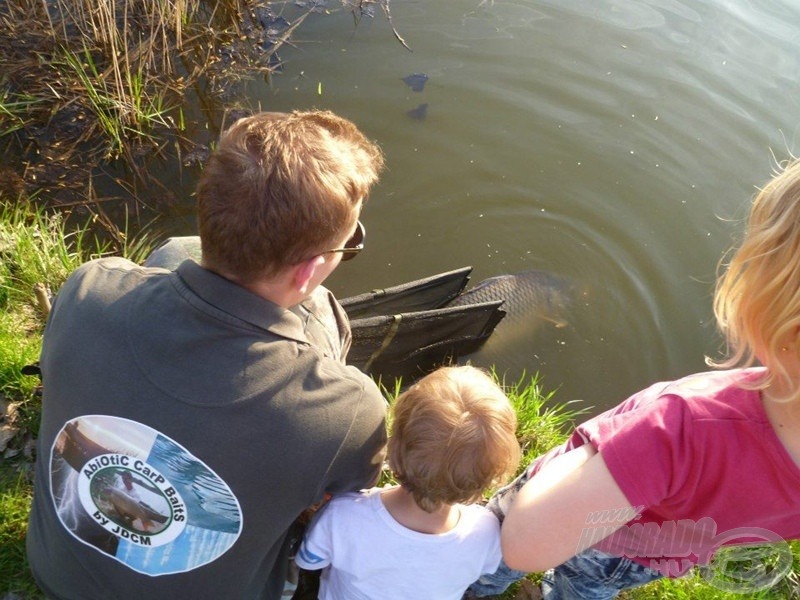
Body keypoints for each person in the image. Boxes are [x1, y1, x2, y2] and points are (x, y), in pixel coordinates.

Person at [25, 110, 388, 600]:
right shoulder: (349, 408)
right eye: (347, 248)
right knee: (321, 311)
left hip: (58, 574)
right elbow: (342, 503)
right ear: (306, 272)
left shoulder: (87, 290)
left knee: (175, 251)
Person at [469, 157, 800, 599]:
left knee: (493, 553)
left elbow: (525, 542)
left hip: (585, 525)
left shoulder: (684, 426)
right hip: (649, 558)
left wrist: (563, 467)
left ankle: (471, 585)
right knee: (583, 590)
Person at [294, 365, 522, 599]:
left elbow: (310, 560)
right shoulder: (486, 532)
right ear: (484, 480)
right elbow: (485, 568)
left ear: (392, 447)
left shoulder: (342, 515)